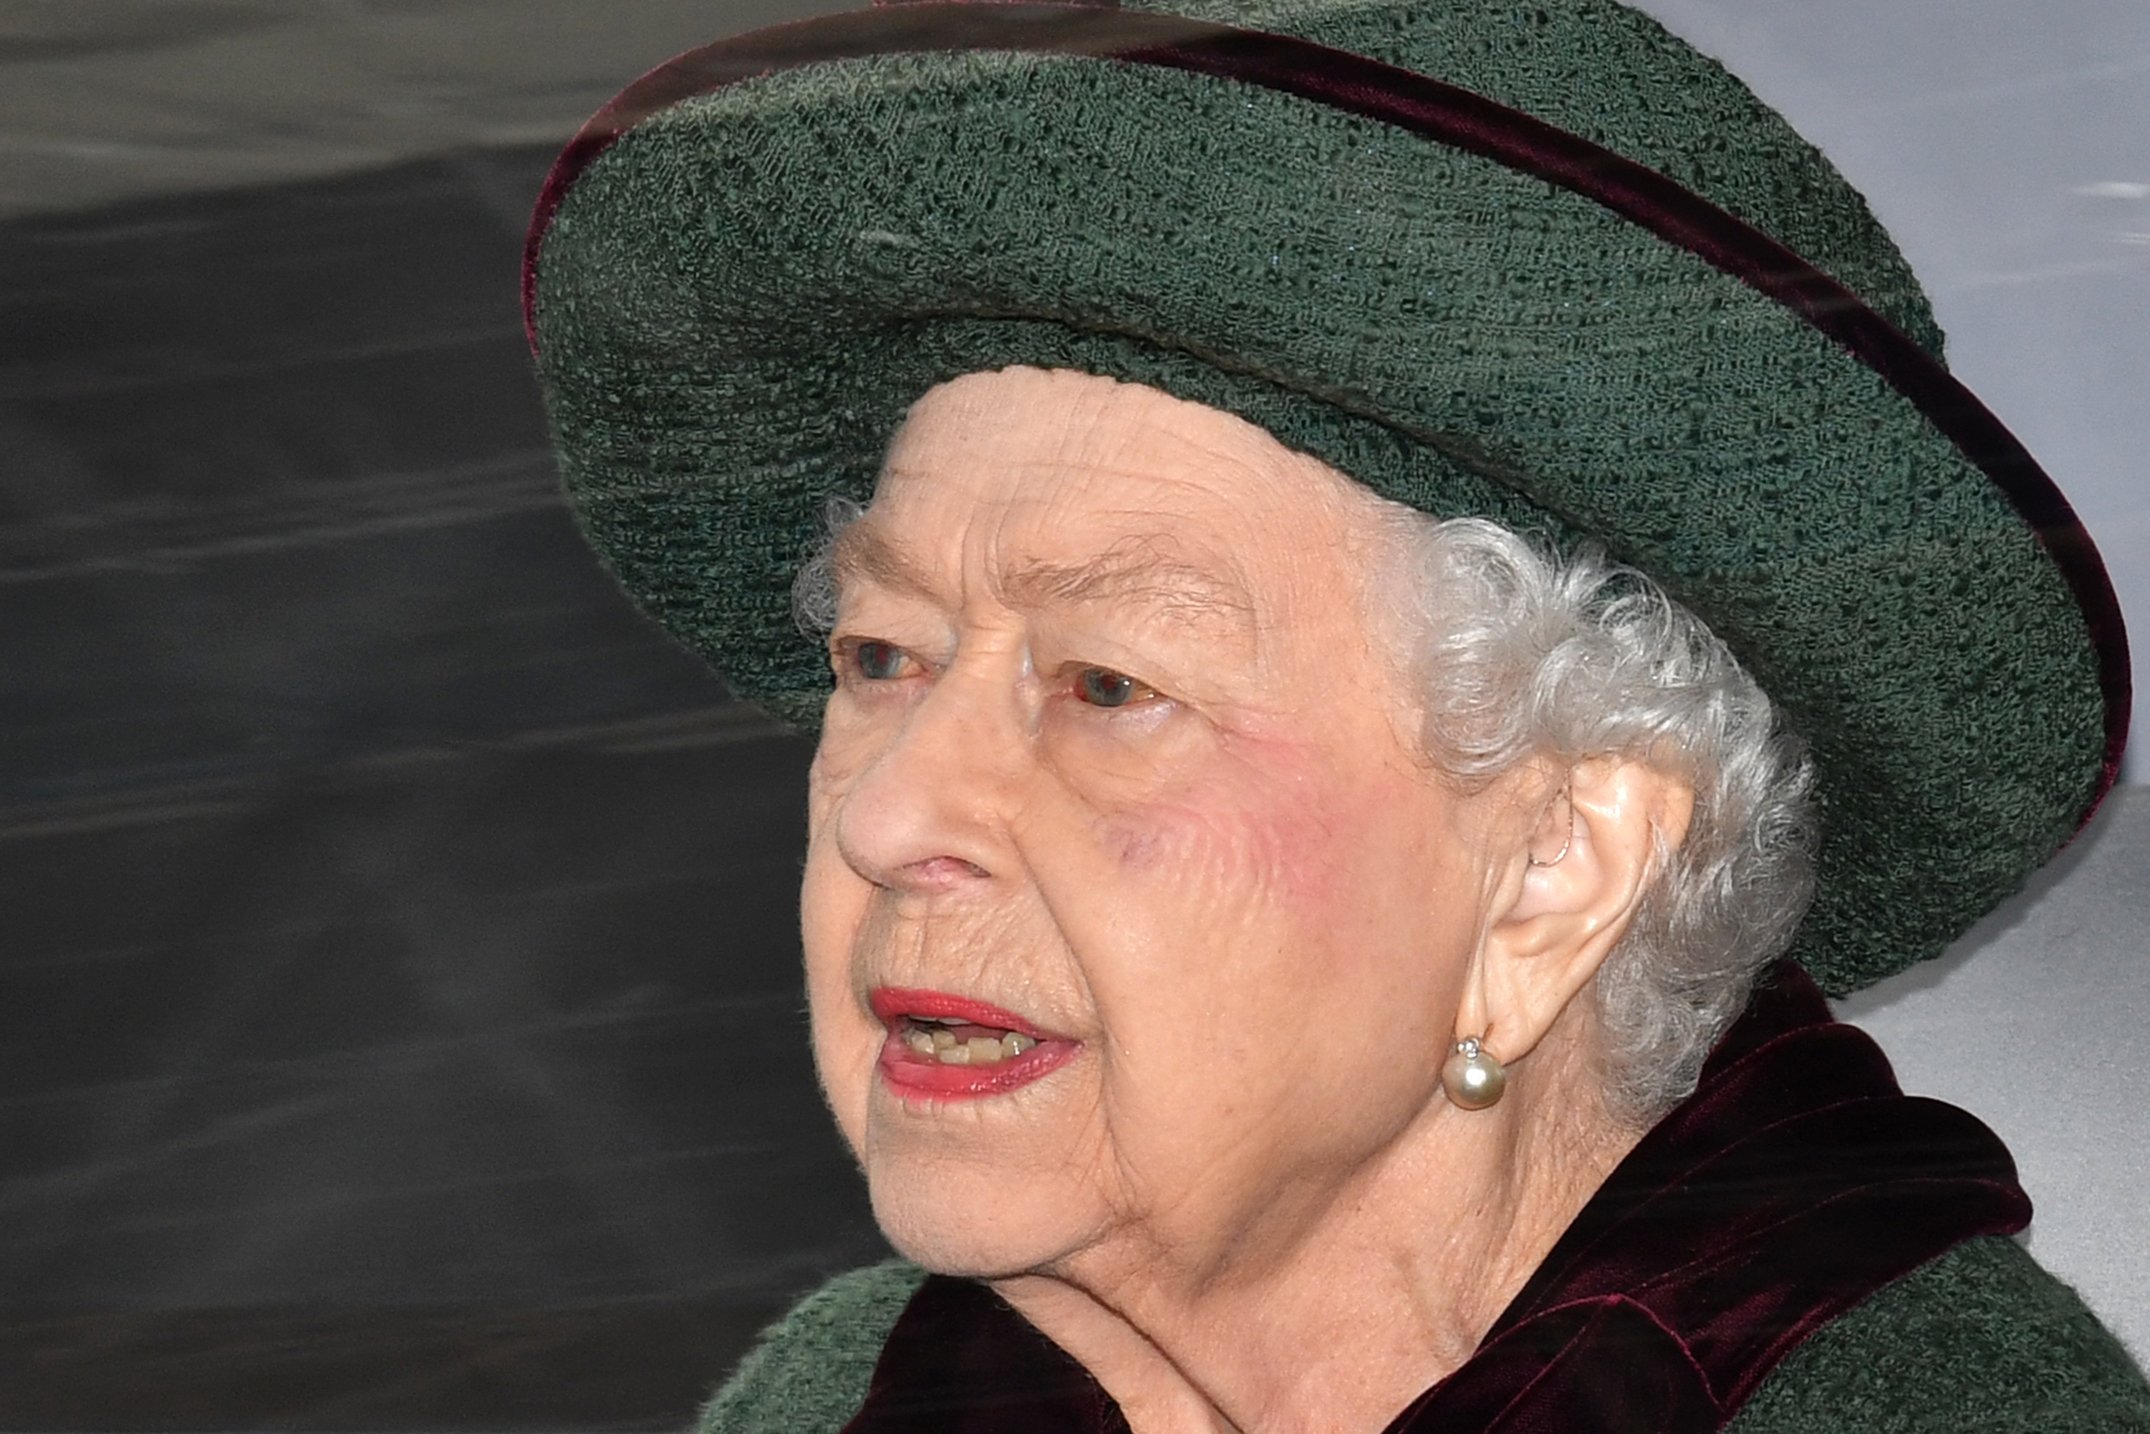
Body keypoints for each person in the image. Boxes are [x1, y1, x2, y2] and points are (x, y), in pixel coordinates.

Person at [521, 0, 2150, 1428]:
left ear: (1550, 868)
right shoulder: (843, 1398)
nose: (885, 817)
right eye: (883, 657)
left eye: (1107, 686)